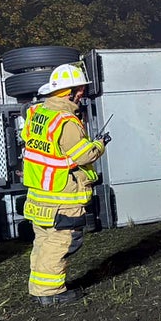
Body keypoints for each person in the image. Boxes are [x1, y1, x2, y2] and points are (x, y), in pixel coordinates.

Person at [21, 63, 109, 306]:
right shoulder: (66, 121)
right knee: (62, 242)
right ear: (68, 92)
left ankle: (39, 287)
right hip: (62, 196)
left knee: (43, 241)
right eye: (79, 89)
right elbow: (84, 156)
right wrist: (100, 144)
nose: (82, 94)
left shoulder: (38, 114)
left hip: (39, 193)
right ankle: (51, 293)